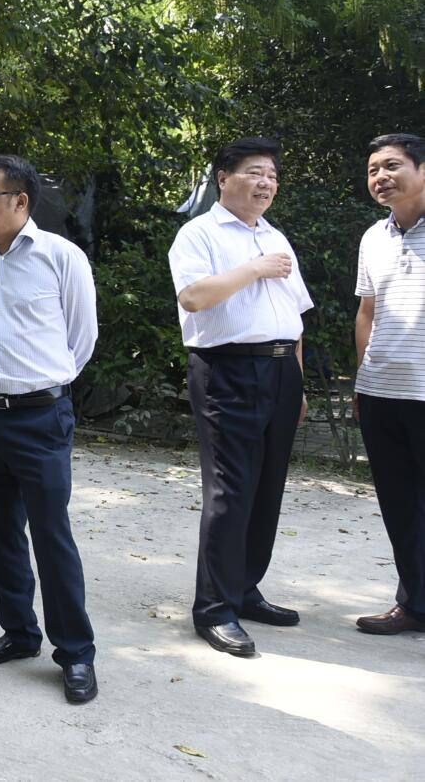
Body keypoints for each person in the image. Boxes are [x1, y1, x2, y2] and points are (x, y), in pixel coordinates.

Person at [0, 154, 99, 704]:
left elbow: (81, 339)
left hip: (40, 415)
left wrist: (41, 387)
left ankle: (76, 653)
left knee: (51, 534)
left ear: (20, 200)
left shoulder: (61, 257)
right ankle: (18, 632)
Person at [168, 137, 312, 658]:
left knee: (268, 486)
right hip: (227, 370)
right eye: (255, 172)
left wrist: (297, 382)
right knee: (230, 491)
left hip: (280, 370)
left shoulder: (275, 236)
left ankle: (245, 588)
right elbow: (193, 297)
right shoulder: (198, 234)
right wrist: (254, 268)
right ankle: (214, 608)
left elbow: (295, 316)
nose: (265, 183)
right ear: (224, 178)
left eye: (271, 175)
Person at [352, 133, 425, 636]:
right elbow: (367, 312)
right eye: (374, 169)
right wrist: (364, 377)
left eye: (393, 165)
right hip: (382, 392)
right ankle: (414, 602)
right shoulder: (373, 238)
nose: (381, 177)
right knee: (400, 506)